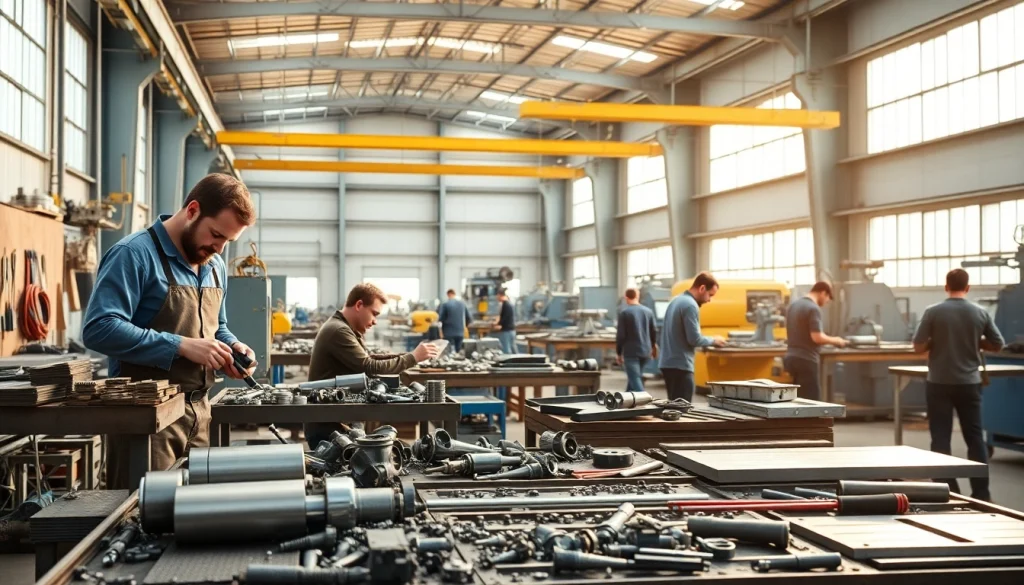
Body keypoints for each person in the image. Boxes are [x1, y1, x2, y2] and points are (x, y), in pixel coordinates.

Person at [83, 174, 258, 489]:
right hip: (147, 421)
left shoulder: (214, 265)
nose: (219, 248)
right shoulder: (134, 254)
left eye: (227, 242)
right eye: (216, 235)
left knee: (196, 518)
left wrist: (232, 348)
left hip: (200, 414)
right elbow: (99, 328)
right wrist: (179, 345)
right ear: (192, 210)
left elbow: (219, 326)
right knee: (141, 524)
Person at [304, 283, 439, 447]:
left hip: (339, 419)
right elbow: (370, 367)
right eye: (374, 314)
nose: (375, 321)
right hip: (328, 427)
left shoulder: (347, 328)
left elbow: (368, 359)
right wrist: (413, 358)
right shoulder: (338, 330)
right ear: (359, 305)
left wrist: (408, 356)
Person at [912, 268, 1004, 501]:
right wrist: (976, 342)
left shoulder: (933, 312)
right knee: (974, 437)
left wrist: (936, 342)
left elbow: (918, 346)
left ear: (946, 287)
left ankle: (947, 490)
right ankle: (982, 493)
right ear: (968, 287)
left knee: (941, 437)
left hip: (939, 383)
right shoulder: (979, 313)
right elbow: (998, 343)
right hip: (969, 384)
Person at [658, 272, 725, 402]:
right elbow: (694, 339)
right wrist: (714, 340)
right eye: (709, 295)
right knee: (683, 410)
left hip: (668, 363)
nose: (709, 300)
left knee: (674, 408)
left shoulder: (676, 300)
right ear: (702, 288)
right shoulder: (690, 305)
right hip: (680, 366)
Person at [784, 281, 849, 400]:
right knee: (811, 402)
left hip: (791, 359)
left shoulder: (793, 306)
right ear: (823, 293)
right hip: (806, 360)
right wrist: (836, 340)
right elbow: (817, 337)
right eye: (828, 298)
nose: (827, 301)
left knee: (796, 401)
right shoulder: (813, 308)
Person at [616, 288, 658, 392]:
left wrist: (619, 353)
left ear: (626, 297)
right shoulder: (648, 312)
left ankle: (645, 402)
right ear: (637, 296)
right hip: (645, 352)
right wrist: (653, 347)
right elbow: (653, 331)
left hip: (631, 353)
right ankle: (625, 402)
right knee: (633, 379)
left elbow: (621, 336)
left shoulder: (624, 313)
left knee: (635, 379)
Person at [437, 289, 473, 353]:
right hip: (460, 332)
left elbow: (441, 318)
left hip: (448, 332)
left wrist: (440, 330)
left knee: (448, 351)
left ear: (448, 294)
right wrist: (465, 327)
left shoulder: (445, 305)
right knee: (458, 351)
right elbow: (468, 318)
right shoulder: (462, 304)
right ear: (454, 294)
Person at [494, 289, 516, 354]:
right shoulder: (508, 303)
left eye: (497, 296)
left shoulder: (505, 305)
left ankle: (508, 364)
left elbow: (504, 318)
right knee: (513, 350)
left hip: (506, 331)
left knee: (506, 351)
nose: (497, 298)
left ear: (500, 295)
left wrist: (497, 324)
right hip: (511, 330)